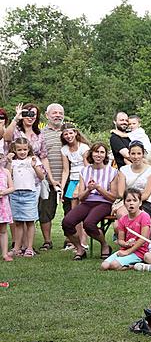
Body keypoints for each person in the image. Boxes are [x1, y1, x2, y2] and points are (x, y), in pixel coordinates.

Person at [61, 142, 119, 261]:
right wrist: (89, 189)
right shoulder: (84, 171)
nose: (99, 155)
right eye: (96, 152)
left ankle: (104, 245)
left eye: (102, 152)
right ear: (91, 154)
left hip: (104, 203)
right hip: (87, 202)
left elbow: (113, 197)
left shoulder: (112, 171)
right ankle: (79, 248)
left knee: (89, 224)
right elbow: (81, 197)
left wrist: (99, 188)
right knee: (67, 222)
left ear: (105, 155)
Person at [7, 138, 45, 257]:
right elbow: (7, 175)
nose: (22, 152)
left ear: (29, 149)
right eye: (19, 150)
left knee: (29, 222)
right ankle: (17, 247)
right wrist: (8, 161)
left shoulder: (33, 160)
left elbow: (42, 177)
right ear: (15, 150)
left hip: (29, 194)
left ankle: (29, 247)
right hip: (16, 194)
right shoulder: (13, 162)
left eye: (25, 149)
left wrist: (34, 166)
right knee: (18, 222)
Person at [101, 188, 151, 271]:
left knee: (114, 265)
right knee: (104, 266)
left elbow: (143, 238)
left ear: (140, 203)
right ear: (124, 203)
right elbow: (120, 240)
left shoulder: (144, 216)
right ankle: (129, 262)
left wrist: (127, 252)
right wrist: (126, 244)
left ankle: (134, 265)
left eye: (134, 200)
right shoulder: (123, 219)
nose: (131, 203)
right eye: (128, 200)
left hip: (139, 251)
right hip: (126, 249)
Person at [38, 103, 65, 251]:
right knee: (45, 210)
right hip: (47, 179)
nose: (58, 115)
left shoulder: (69, 131)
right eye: (54, 113)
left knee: (70, 210)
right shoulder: (41, 133)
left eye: (60, 113)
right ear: (47, 115)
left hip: (68, 179)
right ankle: (47, 241)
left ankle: (69, 240)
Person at [60, 123, 91, 251]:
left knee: (83, 210)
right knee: (74, 213)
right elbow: (66, 170)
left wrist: (82, 186)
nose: (68, 136)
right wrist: (62, 189)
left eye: (70, 133)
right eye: (66, 134)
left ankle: (84, 241)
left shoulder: (83, 147)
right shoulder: (64, 150)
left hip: (83, 179)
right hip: (72, 180)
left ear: (76, 133)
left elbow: (87, 168)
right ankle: (76, 241)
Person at [115, 141, 151, 217]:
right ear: (129, 154)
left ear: (143, 154)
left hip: (145, 202)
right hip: (127, 201)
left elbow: (146, 194)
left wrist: (134, 201)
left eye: (139, 153)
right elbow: (121, 193)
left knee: (139, 216)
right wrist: (130, 200)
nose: (136, 157)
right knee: (121, 215)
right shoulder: (123, 170)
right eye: (133, 154)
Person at [0, 161, 13, 261]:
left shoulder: (6, 172)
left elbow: (12, 187)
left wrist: (4, 192)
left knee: (3, 230)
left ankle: (4, 254)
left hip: (3, 206)